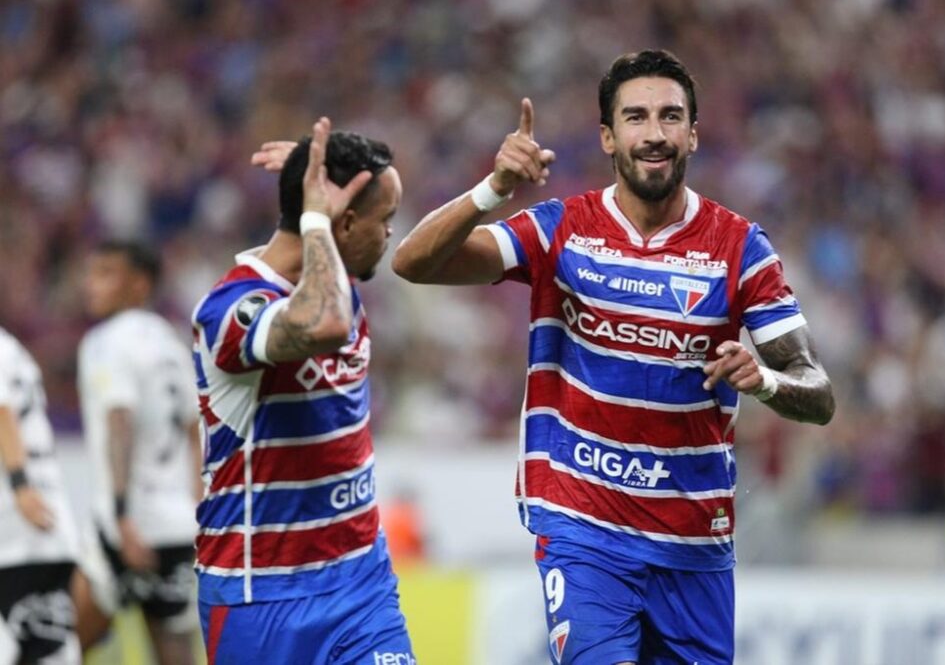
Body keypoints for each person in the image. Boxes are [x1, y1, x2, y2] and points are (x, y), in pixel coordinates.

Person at [391, 49, 835, 664]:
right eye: (636, 117)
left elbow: (818, 394)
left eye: (671, 117)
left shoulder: (740, 249)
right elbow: (413, 262)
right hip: (585, 529)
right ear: (608, 136)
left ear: (693, 134)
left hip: (692, 548)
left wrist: (762, 380)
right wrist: (494, 189)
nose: (654, 134)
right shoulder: (561, 229)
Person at [193, 117, 412, 664]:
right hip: (260, 594)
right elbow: (322, 323)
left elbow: (325, 279)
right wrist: (314, 216)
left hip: (361, 582)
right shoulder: (231, 309)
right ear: (344, 223)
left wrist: (305, 176)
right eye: (384, 219)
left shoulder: (340, 275)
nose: (390, 234)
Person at [73, 240, 202, 665]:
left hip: (128, 527)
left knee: (57, 645)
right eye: (92, 273)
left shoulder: (106, 341)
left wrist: (123, 515)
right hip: (178, 524)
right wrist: (199, 506)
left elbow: (119, 420)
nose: (91, 285)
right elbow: (195, 429)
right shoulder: (171, 341)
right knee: (174, 650)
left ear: (139, 284)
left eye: (106, 274)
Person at [0, 326, 80, 664]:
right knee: (50, 649)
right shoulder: (11, 346)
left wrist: (20, 485)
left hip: (17, 524)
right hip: (50, 520)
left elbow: (2, 411)